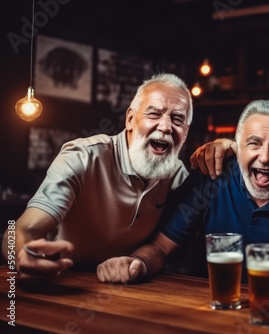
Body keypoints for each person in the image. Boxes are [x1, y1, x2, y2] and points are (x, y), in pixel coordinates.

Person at [97, 100, 269, 304]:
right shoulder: (213, 178)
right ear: (237, 148)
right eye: (253, 143)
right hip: (217, 312)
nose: (265, 157)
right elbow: (160, 248)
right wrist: (136, 264)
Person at [2, 73, 192, 280]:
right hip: (62, 282)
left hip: (126, 288)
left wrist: (225, 148)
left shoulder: (176, 175)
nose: (165, 127)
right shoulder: (83, 157)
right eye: (154, 114)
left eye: (177, 119)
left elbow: (165, 247)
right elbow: (22, 229)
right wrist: (21, 256)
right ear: (130, 119)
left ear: (185, 133)